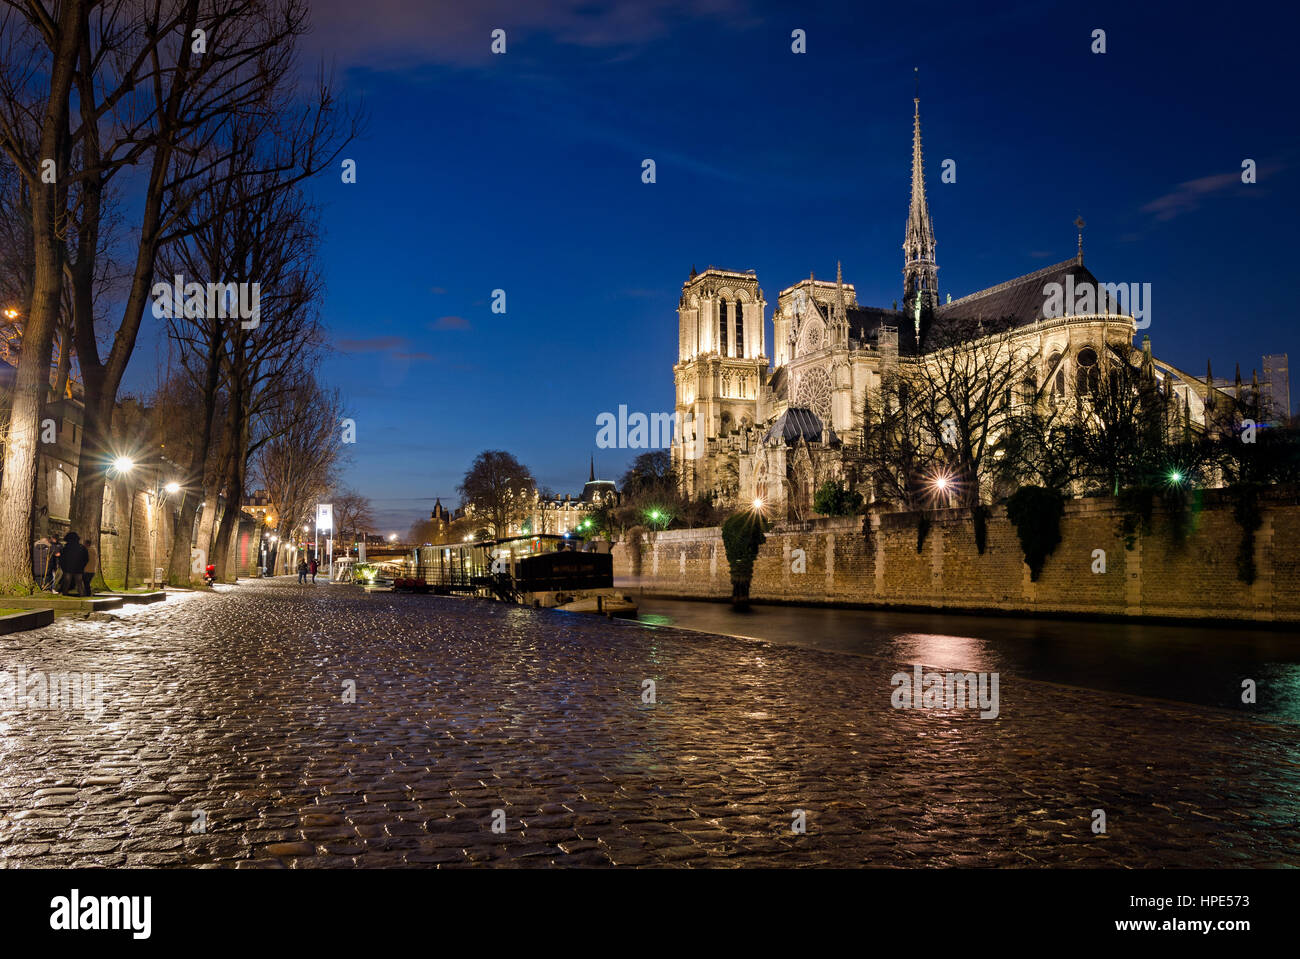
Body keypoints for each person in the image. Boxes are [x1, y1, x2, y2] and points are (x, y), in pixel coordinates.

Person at [58, 531, 89, 596]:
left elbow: (62, 559)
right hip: (78, 569)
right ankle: (82, 594)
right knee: (79, 583)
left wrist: (64, 567)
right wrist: (82, 566)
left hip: (68, 569)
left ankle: (64, 593)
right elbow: (86, 559)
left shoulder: (66, 548)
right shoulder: (81, 548)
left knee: (67, 582)